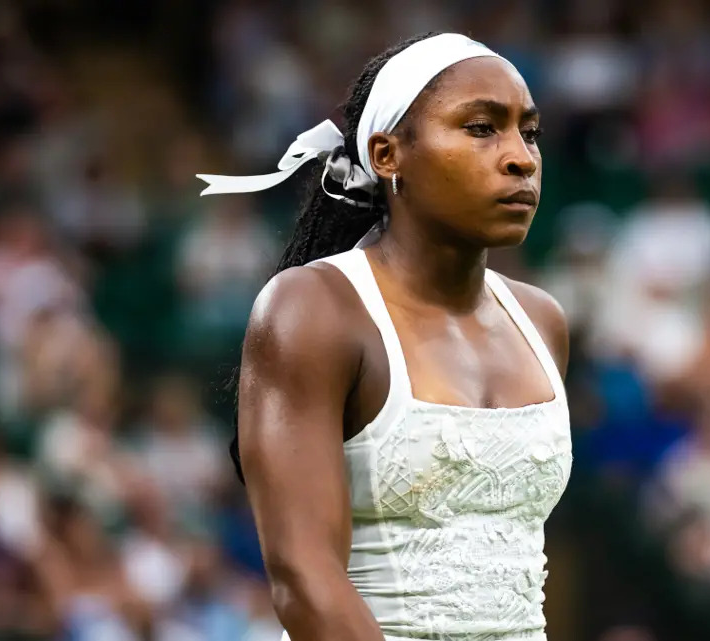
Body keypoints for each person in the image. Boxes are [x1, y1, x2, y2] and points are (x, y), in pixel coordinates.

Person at [197, 32, 573, 641]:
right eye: (481, 128)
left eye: (528, 132)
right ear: (387, 154)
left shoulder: (542, 321)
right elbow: (304, 580)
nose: (521, 159)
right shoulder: (313, 310)